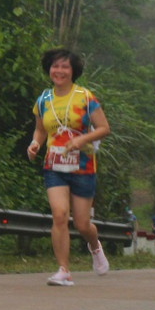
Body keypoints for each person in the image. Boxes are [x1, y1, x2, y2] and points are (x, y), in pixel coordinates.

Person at [27, 48, 111, 286]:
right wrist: (35, 144)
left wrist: (81, 140)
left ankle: (94, 245)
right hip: (54, 166)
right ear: (49, 69)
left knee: (82, 224)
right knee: (59, 214)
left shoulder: (85, 97)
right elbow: (40, 129)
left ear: (73, 71)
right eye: (55, 66)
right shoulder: (43, 100)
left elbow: (104, 128)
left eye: (65, 67)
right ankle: (63, 270)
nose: (59, 71)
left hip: (83, 167)